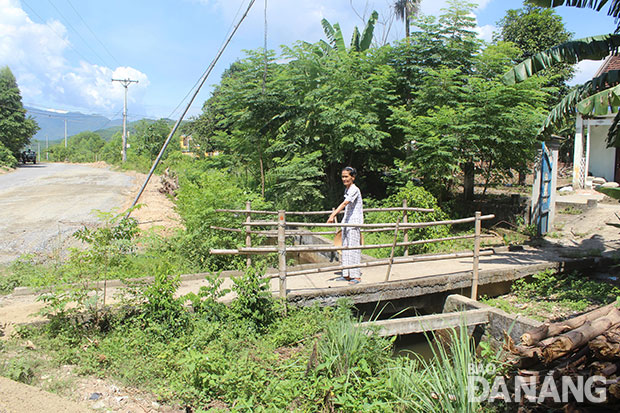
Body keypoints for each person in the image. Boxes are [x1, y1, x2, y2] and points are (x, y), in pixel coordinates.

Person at [327, 166, 363, 284]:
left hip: (353, 222)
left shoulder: (354, 189)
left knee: (353, 248)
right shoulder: (347, 189)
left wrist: (333, 215)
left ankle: (356, 276)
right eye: (342, 177)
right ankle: (347, 274)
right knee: (345, 248)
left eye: (346, 176)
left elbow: (344, 203)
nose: (344, 179)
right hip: (347, 222)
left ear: (353, 177)